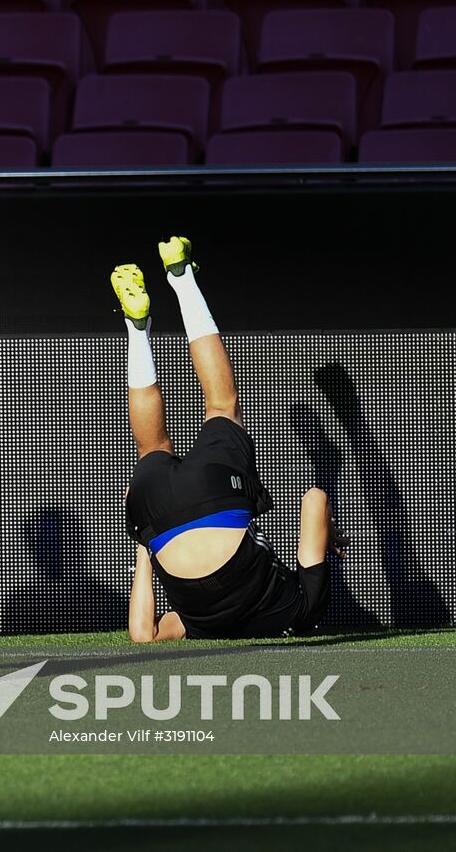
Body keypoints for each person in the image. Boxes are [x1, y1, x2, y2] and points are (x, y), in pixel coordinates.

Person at [112, 236, 335, 641]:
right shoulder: (199, 626)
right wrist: (146, 541)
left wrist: (325, 530)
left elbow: (314, 499)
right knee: (151, 449)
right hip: (157, 517)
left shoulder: (301, 613)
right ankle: (136, 328)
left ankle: (181, 278)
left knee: (220, 405)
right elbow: (143, 633)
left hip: (218, 498)